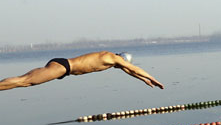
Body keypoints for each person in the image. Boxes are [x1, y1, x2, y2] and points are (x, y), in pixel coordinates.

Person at [0, 51, 163, 91]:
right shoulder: (112, 58)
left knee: (26, 83)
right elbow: (134, 68)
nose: (121, 68)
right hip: (63, 67)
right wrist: (153, 78)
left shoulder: (113, 61)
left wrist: (144, 80)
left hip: (63, 67)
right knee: (26, 80)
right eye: (122, 65)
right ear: (123, 60)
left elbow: (131, 72)